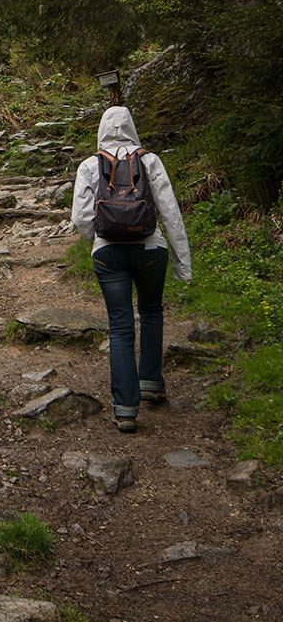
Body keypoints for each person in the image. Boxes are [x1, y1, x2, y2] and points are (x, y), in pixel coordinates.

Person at [71, 105, 191, 433]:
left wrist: (100, 237)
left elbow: (80, 218)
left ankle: (125, 408)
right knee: (151, 312)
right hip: (151, 249)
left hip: (108, 254)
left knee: (120, 326)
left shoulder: (89, 165)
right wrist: (182, 265)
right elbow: (171, 214)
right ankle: (151, 381)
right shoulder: (149, 161)